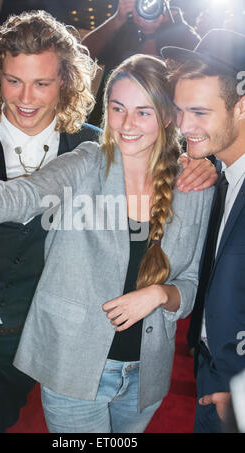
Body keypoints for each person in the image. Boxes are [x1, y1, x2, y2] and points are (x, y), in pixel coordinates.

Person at [0, 53, 214, 433]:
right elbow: (19, 197)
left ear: (167, 116)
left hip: (145, 376)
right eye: (118, 108)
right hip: (74, 366)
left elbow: (190, 283)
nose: (127, 123)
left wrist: (157, 295)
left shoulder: (194, 186)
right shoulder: (87, 161)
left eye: (143, 112)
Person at [0, 10, 101, 433]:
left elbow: (156, 170)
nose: (26, 98)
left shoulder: (94, 146)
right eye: (14, 81)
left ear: (66, 82)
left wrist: (199, 168)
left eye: (42, 83)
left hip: (24, 337)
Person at [162, 28, 245, 433]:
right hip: (210, 371)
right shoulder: (219, 174)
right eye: (179, 111)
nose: (183, 125)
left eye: (199, 113)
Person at [82, 0, 200, 126]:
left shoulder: (186, 36)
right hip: (104, 124)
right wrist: (117, 19)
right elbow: (83, 54)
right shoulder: (126, 22)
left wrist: (148, 35)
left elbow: (157, 85)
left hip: (150, 131)